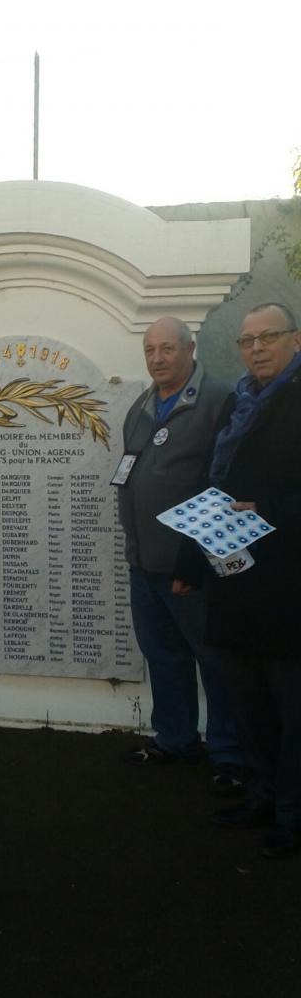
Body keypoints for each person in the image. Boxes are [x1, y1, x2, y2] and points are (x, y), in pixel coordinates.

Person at [186, 304, 301, 857]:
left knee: (290, 704)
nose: (256, 348)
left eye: (269, 337)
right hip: (236, 577)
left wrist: (270, 511)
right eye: (247, 340)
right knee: (250, 699)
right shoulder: (240, 400)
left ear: (295, 339)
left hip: (286, 582)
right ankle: (261, 794)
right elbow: (218, 479)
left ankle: (292, 812)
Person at [117, 316, 243, 788]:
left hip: (192, 566)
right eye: (150, 350)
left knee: (215, 661)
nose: (157, 359)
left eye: (167, 349)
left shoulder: (219, 401)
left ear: (190, 350)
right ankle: (175, 739)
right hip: (145, 564)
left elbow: (223, 484)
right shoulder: (142, 406)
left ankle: (231, 756)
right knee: (163, 656)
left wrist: (196, 558)